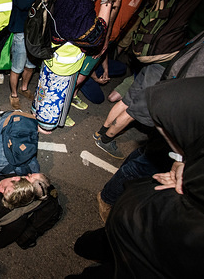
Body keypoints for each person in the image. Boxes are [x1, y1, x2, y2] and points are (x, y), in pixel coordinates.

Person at [68, 76, 204, 278]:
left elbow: (131, 220)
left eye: (169, 132)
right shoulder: (193, 169)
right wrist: (181, 161)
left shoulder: (186, 219)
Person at [93, 0, 204, 159]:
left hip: (157, 54)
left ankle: (101, 131)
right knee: (136, 110)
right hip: (168, 63)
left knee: (129, 99)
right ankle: (105, 139)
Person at [31, 0, 125, 132]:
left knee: (44, 87)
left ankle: (37, 112)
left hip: (51, 51)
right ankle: (44, 123)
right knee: (54, 95)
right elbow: (95, 38)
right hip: (64, 60)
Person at [7, 0, 50, 110]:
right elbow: (23, 2)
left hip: (38, 28)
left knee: (31, 65)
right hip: (21, 27)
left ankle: (24, 88)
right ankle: (13, 95)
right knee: (17, 66)